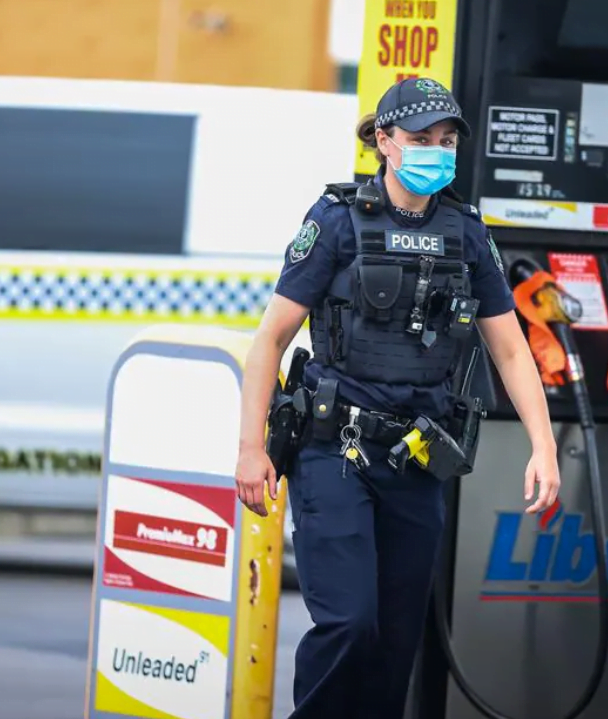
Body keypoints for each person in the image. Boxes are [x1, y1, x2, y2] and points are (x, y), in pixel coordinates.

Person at [233, 77, 560, 719]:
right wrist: (251, 448)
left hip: (415, 459)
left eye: (446, 140)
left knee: (393, 646)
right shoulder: (335, 221)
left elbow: (512, 350)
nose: (435, 151)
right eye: (419, 140)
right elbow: (269, 340)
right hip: (336, 452)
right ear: (384, 143)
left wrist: (543, 447)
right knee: (351, 624)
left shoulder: (466, 232)